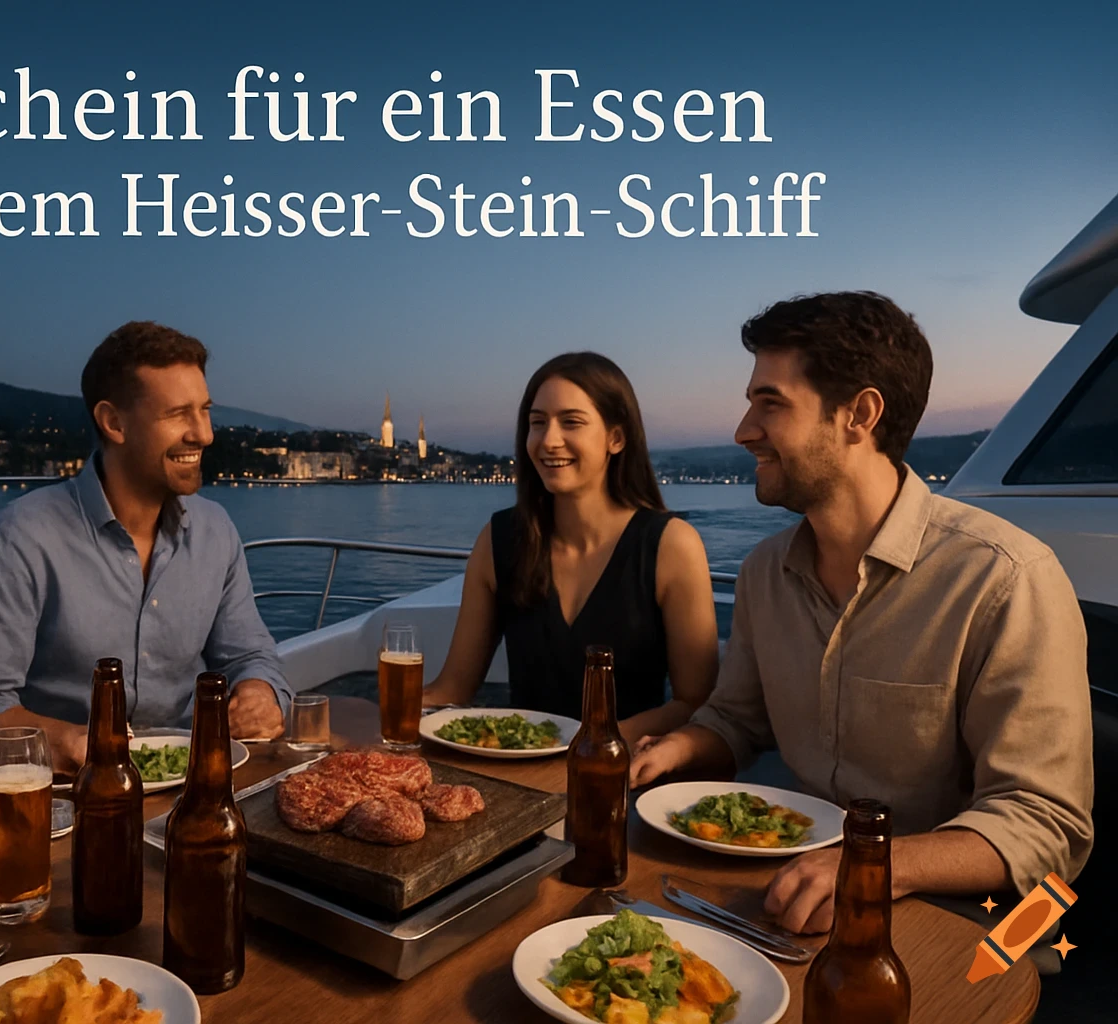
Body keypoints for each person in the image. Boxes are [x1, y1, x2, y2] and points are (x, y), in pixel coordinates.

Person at [631, 291, 1094, 935]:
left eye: (770, 403)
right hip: (802, 884)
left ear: (860, 414)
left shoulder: (1004, 579)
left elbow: (1047, 825)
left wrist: (880, 866)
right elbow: (737, 718)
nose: (742, 430)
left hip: (957, 912)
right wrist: (673, 748)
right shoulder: (767, 571)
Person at [0, 321, 290, 775]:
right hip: (75, 794)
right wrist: (70, 742)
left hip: (194, 782)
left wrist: (260, 691)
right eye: (179, 414)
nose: (204, 434)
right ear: (114, 422)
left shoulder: (215, 530)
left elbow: (249, 655)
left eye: (205, 410)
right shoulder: (24, 535)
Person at [422, 352, 720, 742]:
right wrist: (383, 714)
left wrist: (590, 746)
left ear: (617, 437)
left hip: (622, 780)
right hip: (519, 777)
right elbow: (453, 689)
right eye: (537, 423)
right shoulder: (499, 539)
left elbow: (695, 704)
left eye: (571, 422)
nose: (549, 440)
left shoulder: (670, 545)